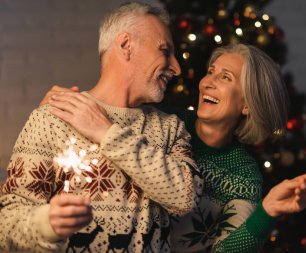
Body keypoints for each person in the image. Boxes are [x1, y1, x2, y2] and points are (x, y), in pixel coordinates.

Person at [40, 43, 306, 253]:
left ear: (248, 105)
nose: (207, 82)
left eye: (225, 77)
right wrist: (67, 104)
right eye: (210, 72)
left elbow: (226, 250)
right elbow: (103, 126)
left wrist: (268, 212)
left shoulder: (242, 174)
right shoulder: (163, 122)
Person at [0, 2, 202, 252]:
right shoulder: (52, 119)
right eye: (164, 50)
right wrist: (46, 223)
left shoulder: (170, 128)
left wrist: (107, 133)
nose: (176, 67)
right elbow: (7, 224)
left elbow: (187, 198)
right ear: (126, 45)